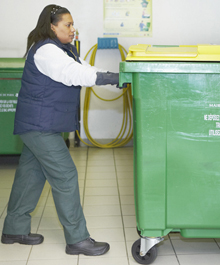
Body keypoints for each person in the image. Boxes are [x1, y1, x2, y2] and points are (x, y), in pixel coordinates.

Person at [1, 4, 121, 256]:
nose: (72, 29)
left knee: (30, 176)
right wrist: (112, 78)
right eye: (67, 24)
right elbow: (72, 74)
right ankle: (77, 239)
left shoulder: (64, 49)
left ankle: (14, 229)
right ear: (52, 26)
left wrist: (114, 76)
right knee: (65, 176)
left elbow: (86, 69)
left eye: (72, 24)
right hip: (39, 126)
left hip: (42, 124)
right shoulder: (46, 50)